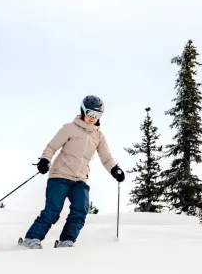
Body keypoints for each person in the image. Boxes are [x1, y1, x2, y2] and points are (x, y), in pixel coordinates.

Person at [19, 95, 125, 249]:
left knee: (80, 210)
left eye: (96, 116)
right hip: (60, 176)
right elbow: (52, 147)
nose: (92, 118)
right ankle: (32, 238)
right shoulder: (69, 128)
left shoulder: (99, 136)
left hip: (80, 179)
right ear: (83, 111)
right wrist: (44, 160)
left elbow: (106, 158)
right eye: (90, 114)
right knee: (53, 210)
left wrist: (115, 169)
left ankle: (66, 241)